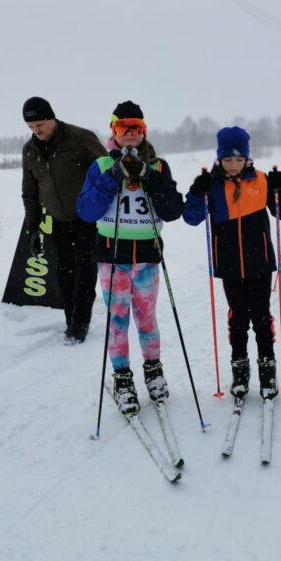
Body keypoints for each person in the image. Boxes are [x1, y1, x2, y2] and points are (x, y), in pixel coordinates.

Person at [76, 101, 184, 414]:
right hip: (112, 258)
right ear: (113, 130)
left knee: (147, 318)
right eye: (123, 128)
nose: (130, 135)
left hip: (147, 258)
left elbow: (172, 210)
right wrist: (112, 178)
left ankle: (153, 369)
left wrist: (149, 176)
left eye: (136, 128)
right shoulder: (99, 166)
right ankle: (122, 377)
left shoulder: (159, 166)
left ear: (144, 130)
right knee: (117, 320)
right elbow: (86, 211)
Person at [182, 126, 281, 400]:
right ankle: (240, 370)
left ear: (247, 157)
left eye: (238, 158)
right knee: (238, 318)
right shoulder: (213, 184)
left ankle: (268, 370)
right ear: (219, 158)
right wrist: (196, 194)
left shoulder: (261, 180)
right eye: (228, 159)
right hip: (229, 263)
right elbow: (192, 218)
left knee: (261, 315)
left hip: (260, 262)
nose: (233, 165)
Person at [21, 96, 106, 343]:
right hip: (58, 218)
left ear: (52, 118)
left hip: (87, 217)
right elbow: (30, 192)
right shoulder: (30, 150)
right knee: (64, 272)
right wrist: (33, 229)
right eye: (31, 127)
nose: (36, 131)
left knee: (84, 267)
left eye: (40, 124)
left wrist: (102, 206)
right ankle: (70, 318)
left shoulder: (79, 138)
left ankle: (80, 322)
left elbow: (106, 170)